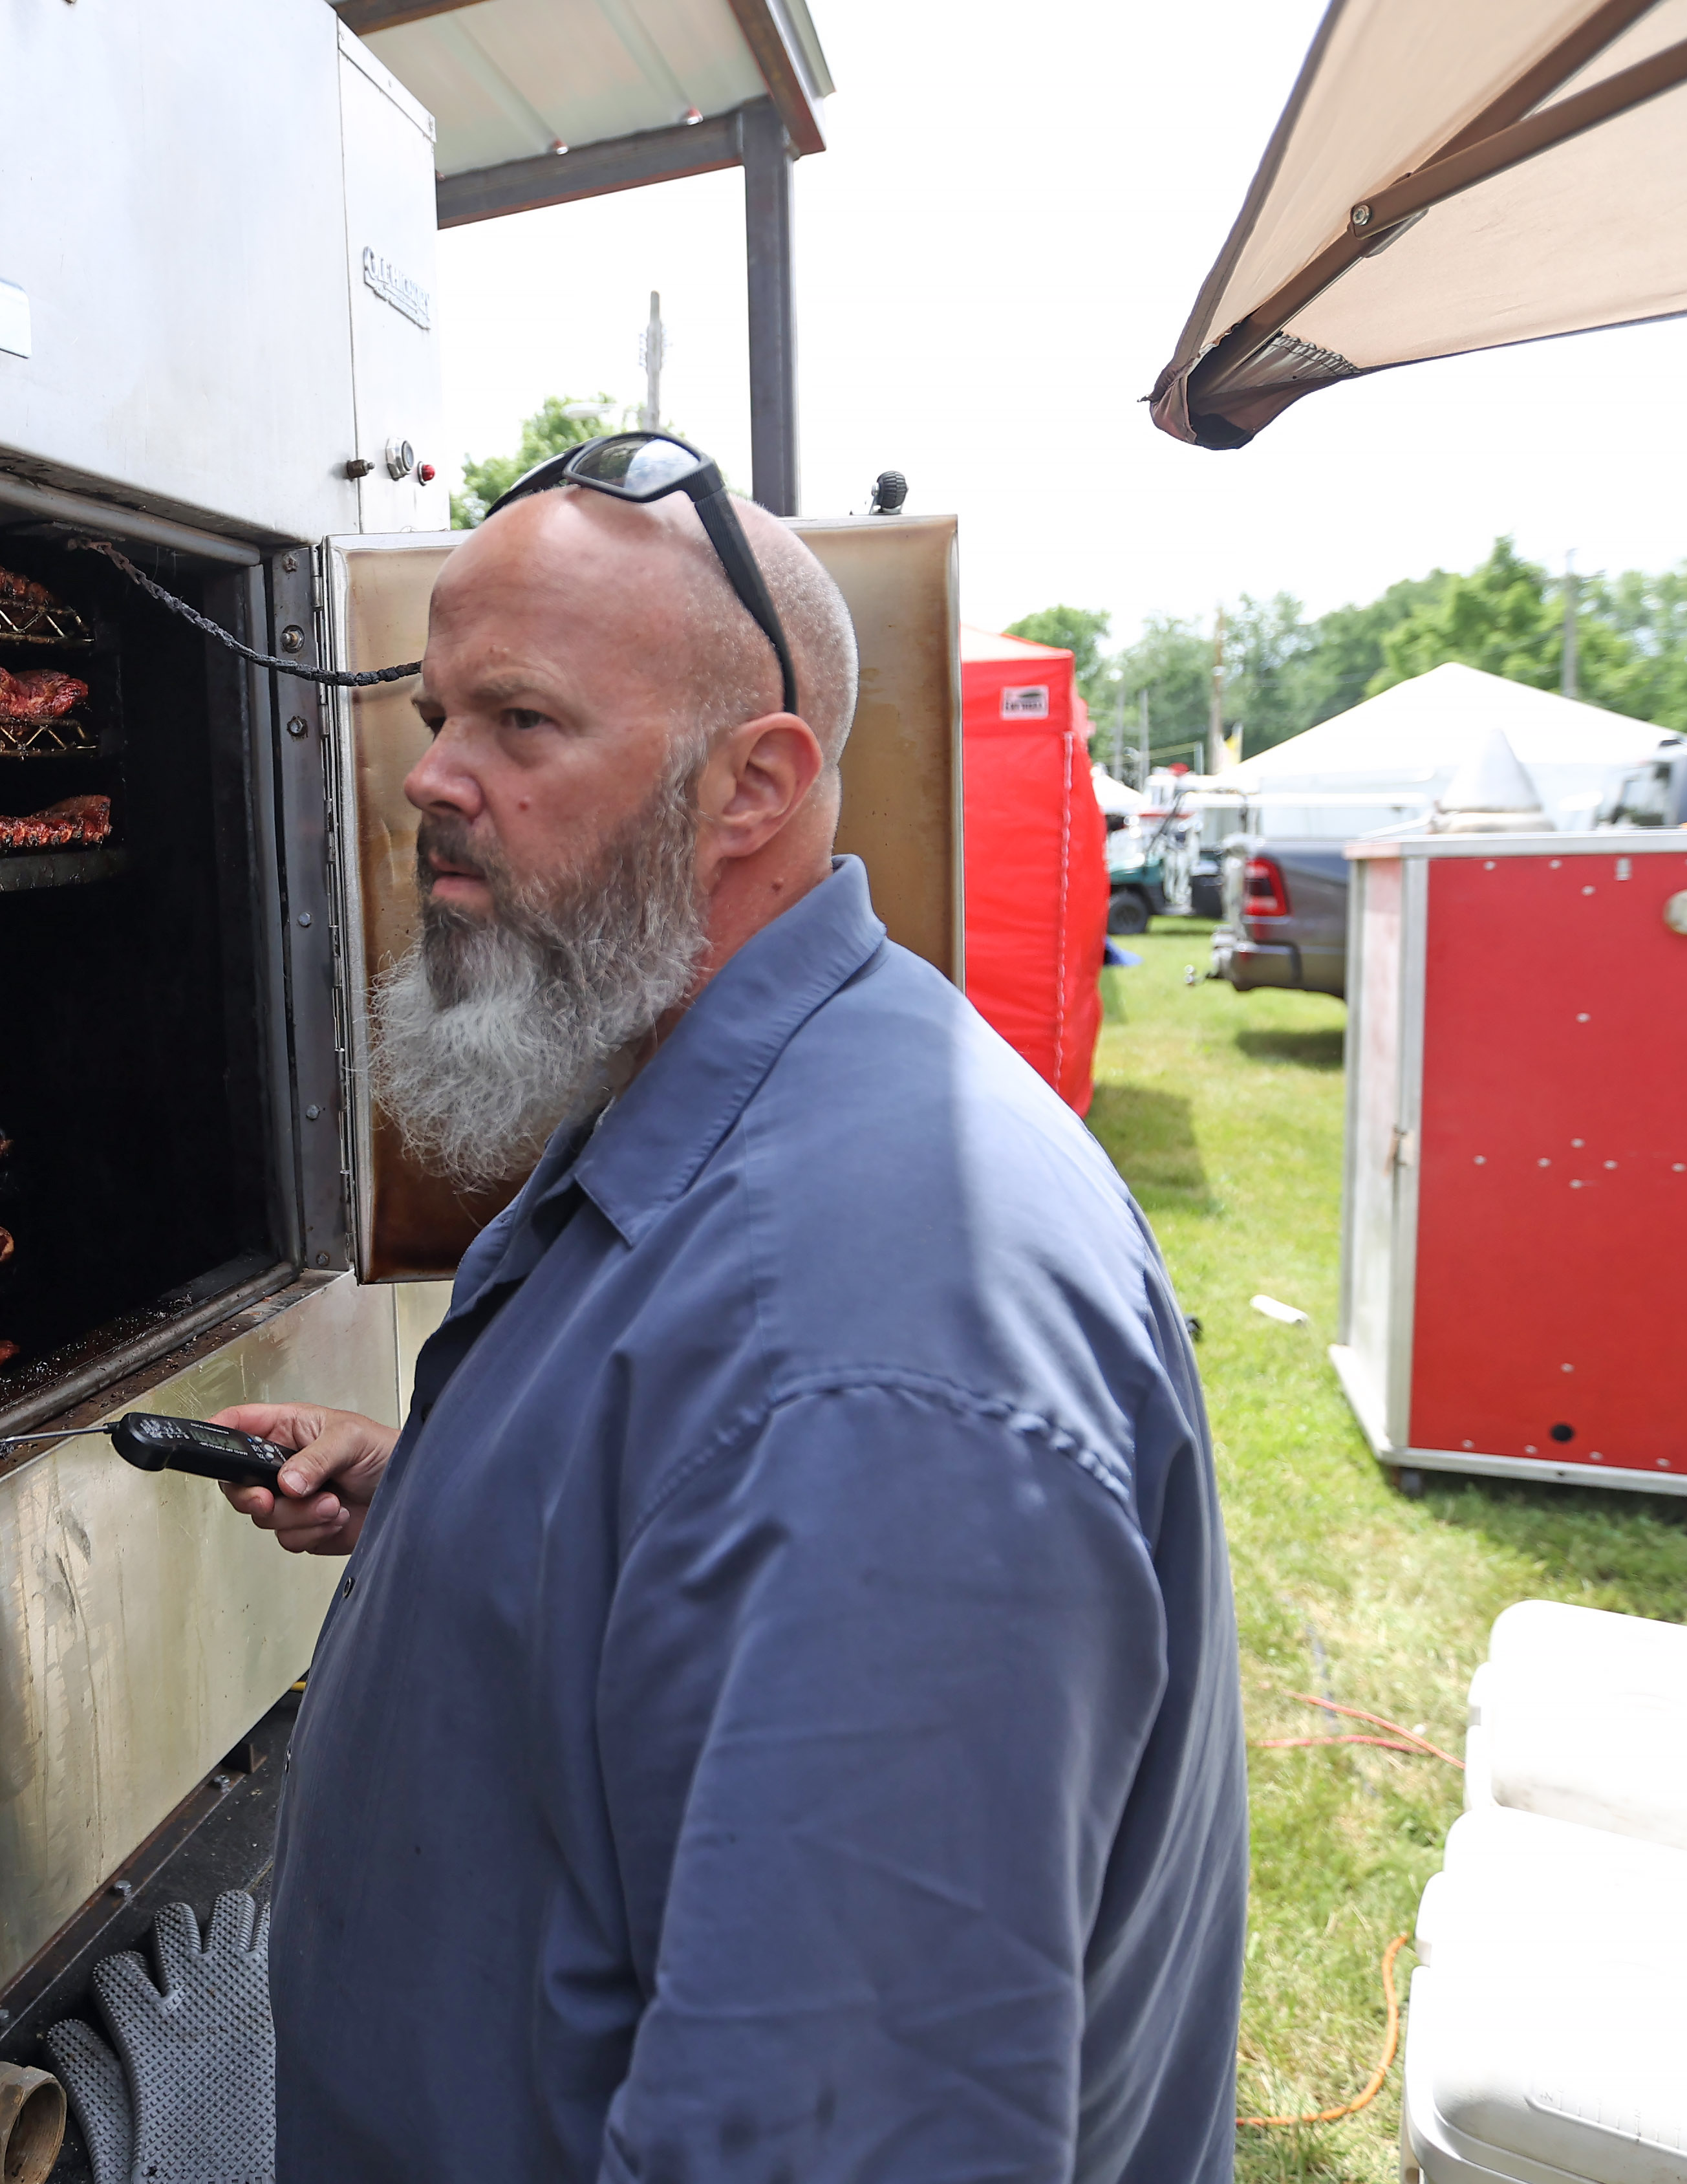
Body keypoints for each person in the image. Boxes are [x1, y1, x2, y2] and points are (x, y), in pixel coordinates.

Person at [220, 438, 1247, 2183]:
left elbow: (838, 2139)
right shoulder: (705, 1102)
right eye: (436, 715)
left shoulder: (871, 1349)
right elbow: (714, 1536)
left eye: (520, 724)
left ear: (753, 785)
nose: (431, 784)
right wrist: (451, 1499)